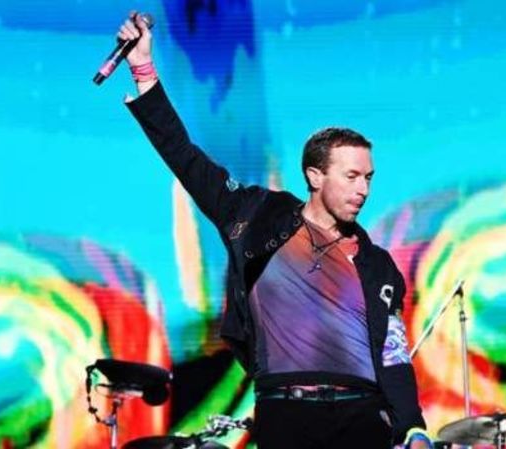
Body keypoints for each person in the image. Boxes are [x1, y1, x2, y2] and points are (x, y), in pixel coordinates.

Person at [115, 11, 433, 449]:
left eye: (368, 178)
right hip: (286, 414)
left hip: (363, 418)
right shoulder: (256, 217)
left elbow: (393, 352)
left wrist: (413, 426)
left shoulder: (377, 265)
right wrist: (143, 69)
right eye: (351, 176)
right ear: (315, 176)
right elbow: (185, 158)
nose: (363, 189)